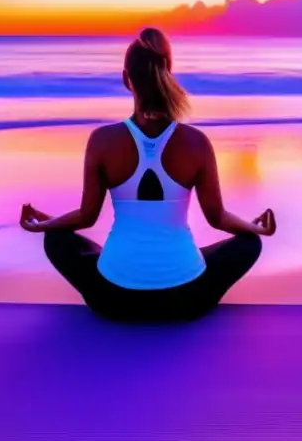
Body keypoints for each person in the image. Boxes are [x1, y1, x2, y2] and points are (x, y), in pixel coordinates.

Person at [19, 27, 276, 322]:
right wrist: (255, 229)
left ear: (126, 78)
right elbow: (217, 217)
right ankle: (174, 264)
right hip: (186, 302)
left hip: (113, 301)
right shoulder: (196, 143)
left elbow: (86, 216)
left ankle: (129, 264)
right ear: (169, 72)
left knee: (57, 240)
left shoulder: (102, 141)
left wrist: (46, 225)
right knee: (248, 244)